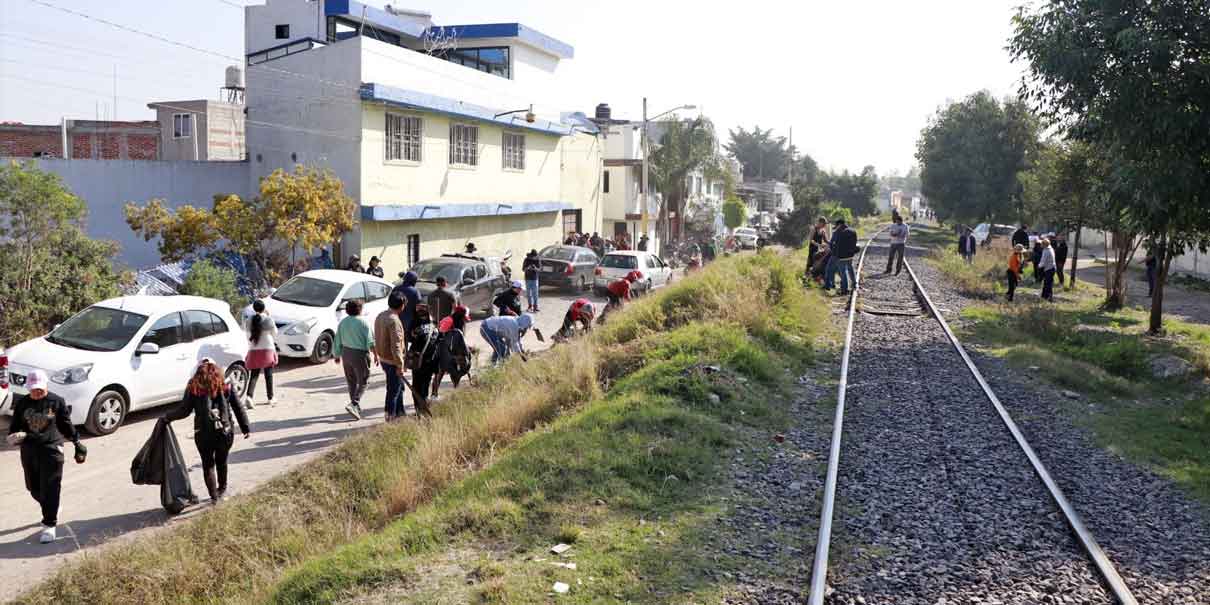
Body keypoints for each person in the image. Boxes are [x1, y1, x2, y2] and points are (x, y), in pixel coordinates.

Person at [7, 369, 85, 544]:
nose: (37, 392)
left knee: (50, 487)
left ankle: (49, 525)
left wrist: (76, 442)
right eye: (33, 389)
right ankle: (52, 506)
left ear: (46, 386)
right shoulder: (22, 404)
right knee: (33, 487)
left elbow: (65, 424)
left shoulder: (56, 402)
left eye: (40, 389)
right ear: (28, 387)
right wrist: (13, 436)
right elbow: (15, 426)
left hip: (51, 449)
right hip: (29, 450)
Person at [165, 359, 250, 504]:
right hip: (225, 431)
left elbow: (184, 410)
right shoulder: (225, 385)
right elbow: (237, 406)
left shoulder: (194, 387)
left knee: (208, 464)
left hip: (203, 432)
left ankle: (214, 497)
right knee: (221, 461)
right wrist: (245, 427)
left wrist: (167, 418)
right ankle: (222, 489)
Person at [333, 299, 375, 421]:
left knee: (351, 381)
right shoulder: (364, 323)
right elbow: (371, 342)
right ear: (360, 309)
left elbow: (337, 340)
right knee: (364, 380)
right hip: (360, 354)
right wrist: (376, 355)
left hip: (346, 353)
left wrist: (336, 355)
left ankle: (354, 406)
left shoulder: (343, 322)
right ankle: (354, 403)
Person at [374, 293, 408, 421]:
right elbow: (397, 345)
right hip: (392, 360)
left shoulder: (381, 315)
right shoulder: (394, 320)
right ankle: (390, 417)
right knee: (393, 390)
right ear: (402, 305)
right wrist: (400, 364)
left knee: (398, 387)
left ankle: (400, 412)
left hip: (384, 358)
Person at [406, 305, 440, 416]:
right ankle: (424, 409)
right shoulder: (434, 328)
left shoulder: (416, 329)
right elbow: (438, 345)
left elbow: (410, 339)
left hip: (418, 362)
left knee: (416, 387)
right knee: (425, 387)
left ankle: (419, 410)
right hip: (430, 363)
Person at [244, 299, 278, 407]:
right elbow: (274, 333)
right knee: (268, 375)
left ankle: (249, 397)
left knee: (254, 375)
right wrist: (269, 316)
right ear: (264, 308)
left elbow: (248, 335)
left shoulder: (249, 320)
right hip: (267, 348)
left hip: (254, 349)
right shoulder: (268, 319)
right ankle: (270, 398)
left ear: (254, 309)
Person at [433, 305, 471, 399]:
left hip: (454, 352)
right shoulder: (448, 321)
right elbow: (439, 335)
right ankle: (434, 394)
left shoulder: (460, 323)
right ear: (459, 315)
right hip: (443, 350)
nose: (464, 320)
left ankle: (456, 394)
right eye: (463, 317)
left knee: (456, 371)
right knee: (440, 371)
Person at [826, 219, 859, 295]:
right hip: (850, 255)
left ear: (839, 225)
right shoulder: (853, 231)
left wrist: (833, 253)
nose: (836, 227)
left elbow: (831, 244)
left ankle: (845, 289)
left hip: (841, 257)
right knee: (850, 269)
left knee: (843, 273)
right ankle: (854, 284)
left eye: (836, 226)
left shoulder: (837, 232)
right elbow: (855, 243)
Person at [392, 271, 422, 338]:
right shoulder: (415, 291)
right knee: (404, 339)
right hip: (408, 321)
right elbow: (418, 304)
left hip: (394, 318)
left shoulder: (396, 288)